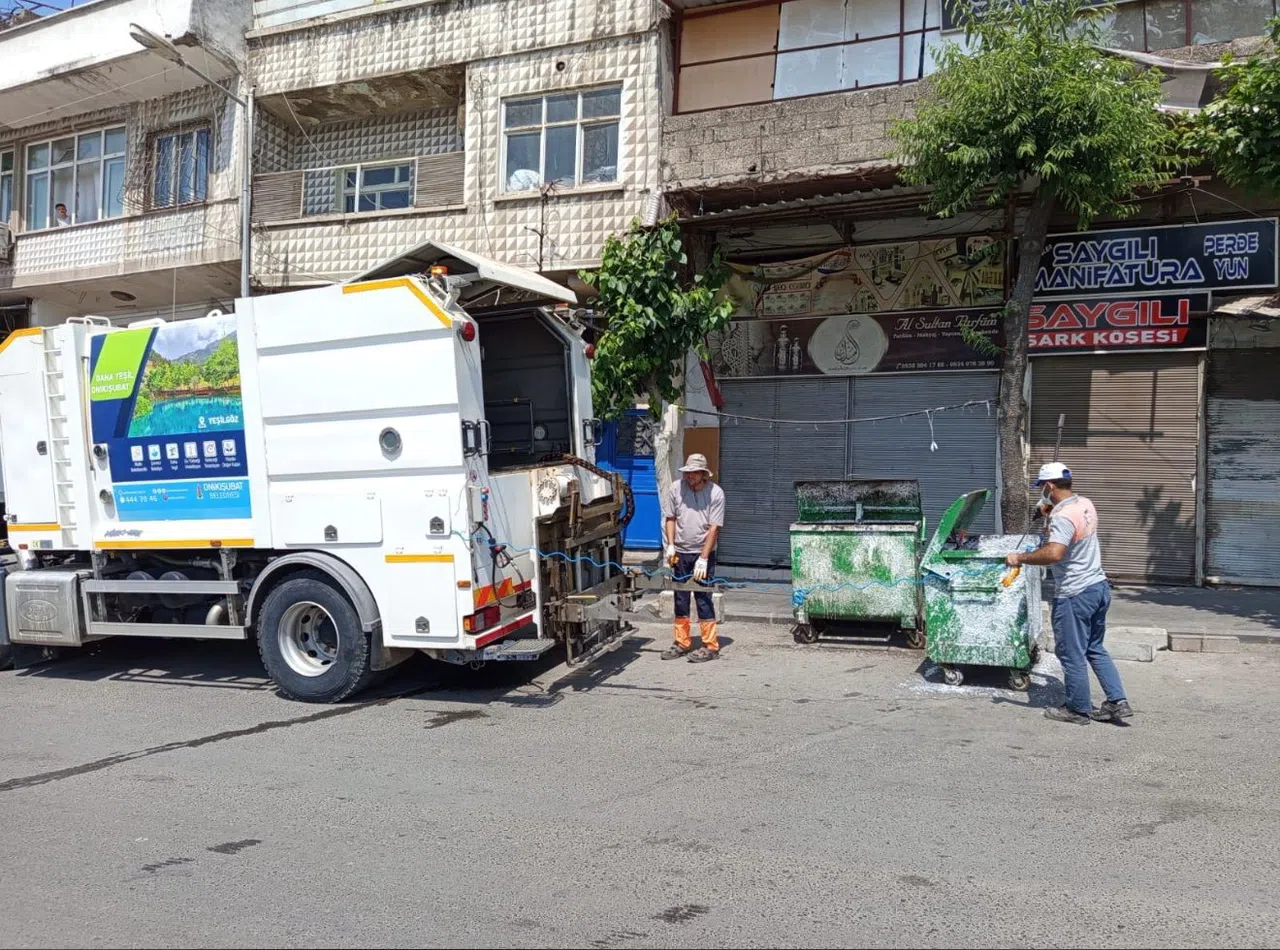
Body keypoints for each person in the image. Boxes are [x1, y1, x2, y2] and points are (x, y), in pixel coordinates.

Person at [1006, 462, 1133, 725]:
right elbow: (1070, 522)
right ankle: (1116, 702)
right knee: (1094, 647)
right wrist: (1049, 510)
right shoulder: (1085, 504)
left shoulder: (1062, 517)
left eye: (1042, 487)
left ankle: (1077, 709)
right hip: (1098, 587)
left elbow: (1054, 553)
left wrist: (1020, 557)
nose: (1042, 492)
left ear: (1050, 486)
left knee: (1070, 653)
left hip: (1075, 594)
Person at [660, 452, 725, 663]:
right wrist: (670, 546)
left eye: (694, 474)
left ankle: (711, 645)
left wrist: (704, 558)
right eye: (688, 473)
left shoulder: (716, 493)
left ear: (703, 474)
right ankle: (682, 642)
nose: (690, 477)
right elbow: (670, 518)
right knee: (680, 597)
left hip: (702, 551)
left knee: (703, 597)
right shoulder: (675, 489)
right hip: (680, 552)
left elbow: (714, 528)